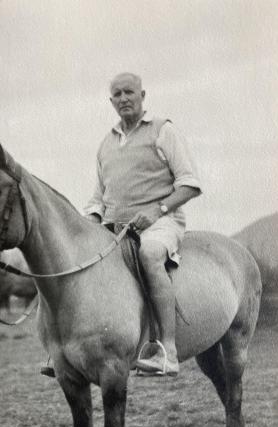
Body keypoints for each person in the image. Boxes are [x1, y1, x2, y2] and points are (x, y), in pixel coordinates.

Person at [84, 72, 202, 376]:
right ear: (111, 101)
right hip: (115, 227)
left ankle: (168, 352)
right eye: (117, 94)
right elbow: (98, 198)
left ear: (142, 95)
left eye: (129, 92)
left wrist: (157, 209)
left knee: (150, 254)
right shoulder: (105, 144)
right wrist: (89, 224)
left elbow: (189, 183)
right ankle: (73, 354)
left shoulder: (163, 131)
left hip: (160, 222)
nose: (123, 99)